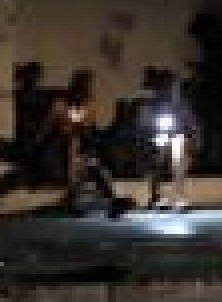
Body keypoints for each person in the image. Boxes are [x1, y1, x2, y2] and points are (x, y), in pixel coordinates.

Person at [34, 69, 127, 216]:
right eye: (84, 86)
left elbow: (90, 128)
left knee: (95, 164)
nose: (87, 91)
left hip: (81, 146)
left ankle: (111, 199)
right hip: (59, 146)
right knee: (74, 148)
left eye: (88, 87)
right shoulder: (60, 104)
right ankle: (73, 194)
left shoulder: (87, 107)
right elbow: (47, 127)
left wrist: (88, 133)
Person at [131, 68, 200, 210]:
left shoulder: (180, 103)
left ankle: (179, 196)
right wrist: (147, 136)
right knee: (157, 160)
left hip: (176, 135)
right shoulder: (151, 103)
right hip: (159, 135)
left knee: (179, 159)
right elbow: (143, 124)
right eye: (168, 84)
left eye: (173, 84)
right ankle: (157, 196)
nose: (171, 88)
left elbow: (190, 121)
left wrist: (192, 139)